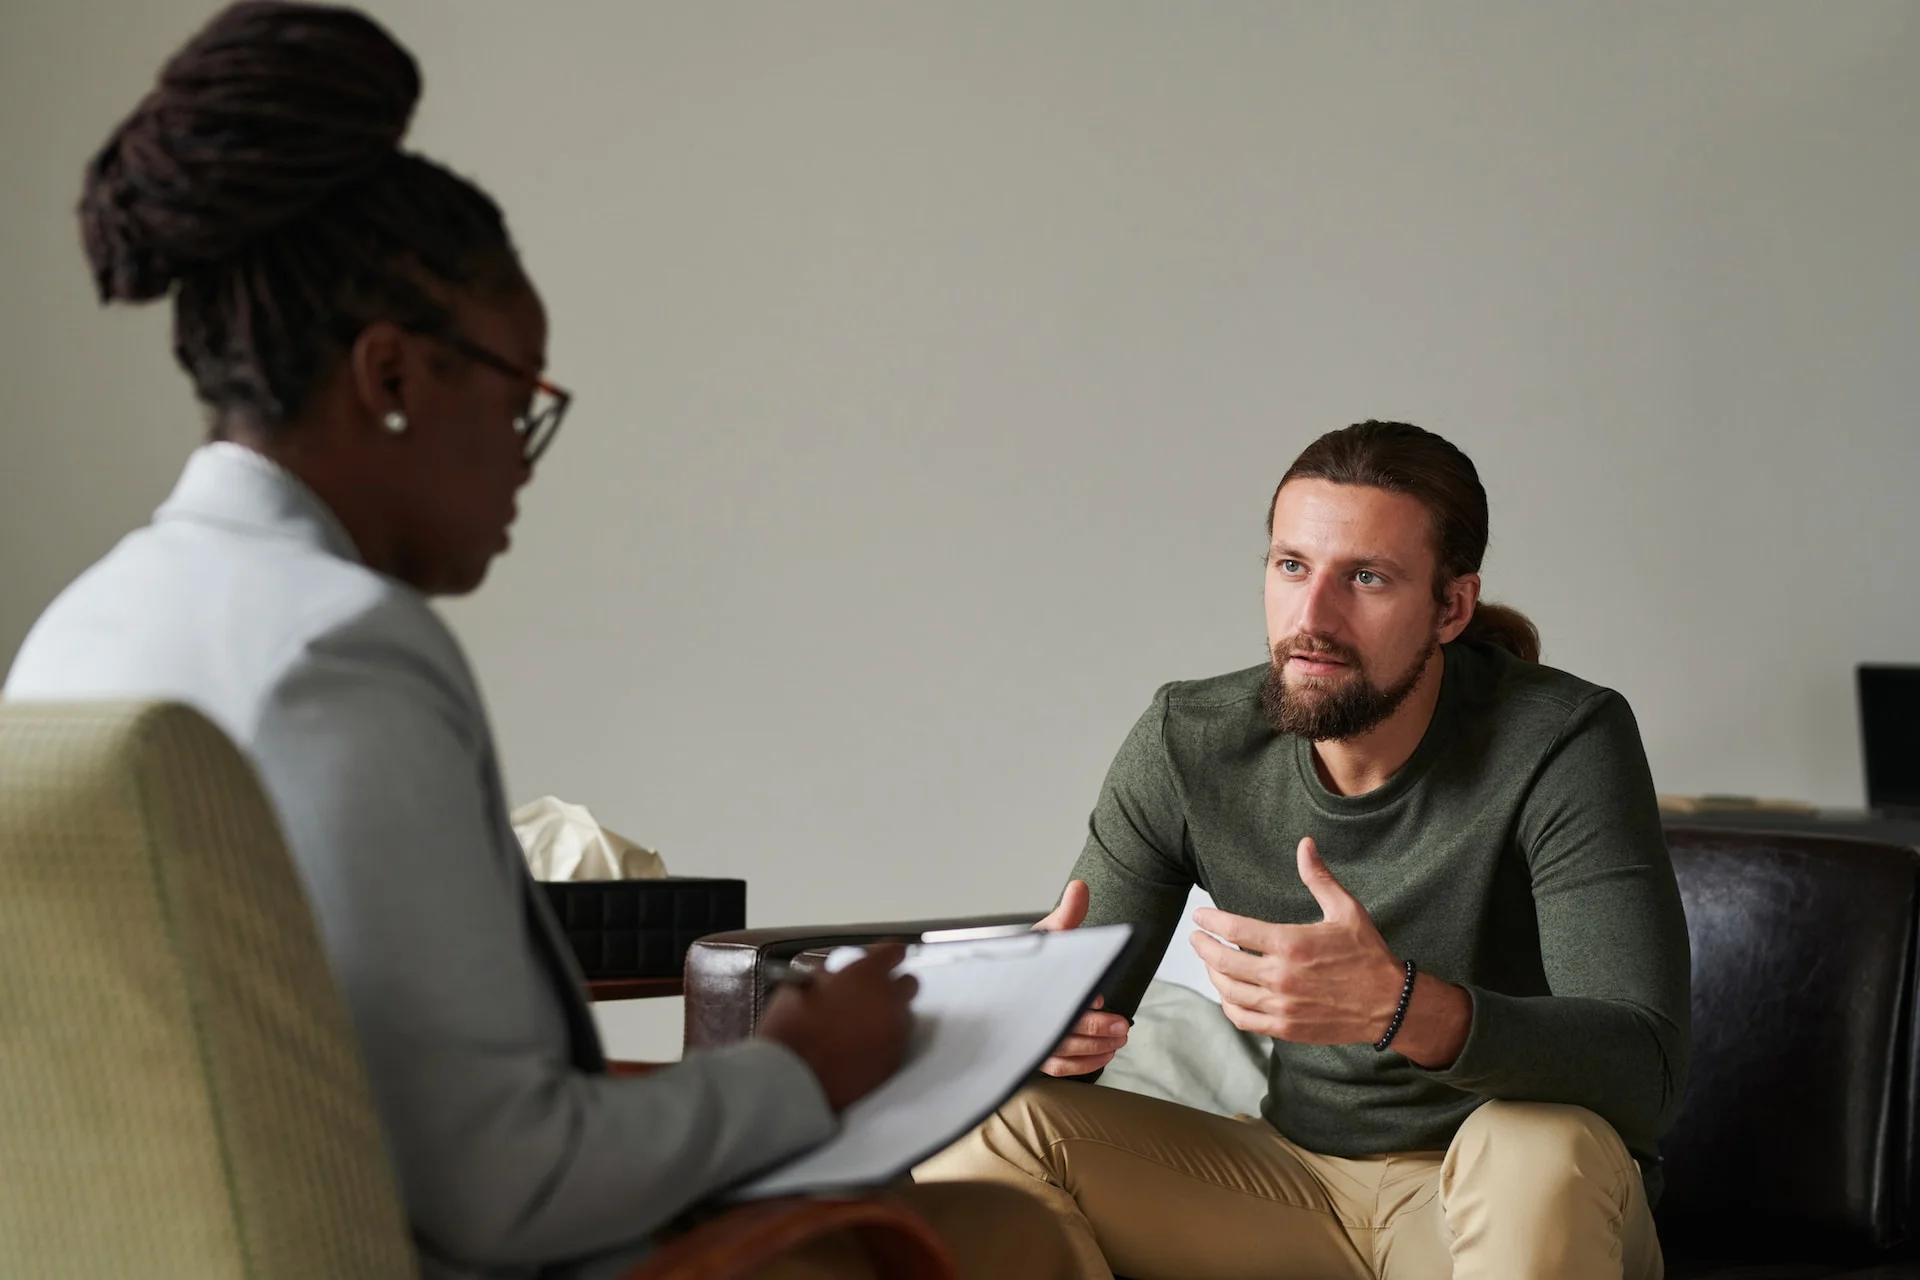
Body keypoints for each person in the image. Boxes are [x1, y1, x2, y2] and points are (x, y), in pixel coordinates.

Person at [2, 5, 1071, 1278]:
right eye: (520, 400)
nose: (524, 460)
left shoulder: (75, 633)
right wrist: (797, 1070)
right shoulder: (343, 646)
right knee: (1003, 1231)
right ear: (392, 375)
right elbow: (503, 1187)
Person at [918, 420, 1692, 1280]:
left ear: (1452, 607)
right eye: (1292, 566)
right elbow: (1080, 1023)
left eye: (1367, 577)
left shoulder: (1562, 739)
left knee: (1534, 1142)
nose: (1312, 618)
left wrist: (1400, 1006)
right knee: (984, 1119)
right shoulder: (1189, 740)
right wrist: (1050, 1030)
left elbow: (1644, 1068)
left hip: (1494, 1195)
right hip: (1289, 1190)